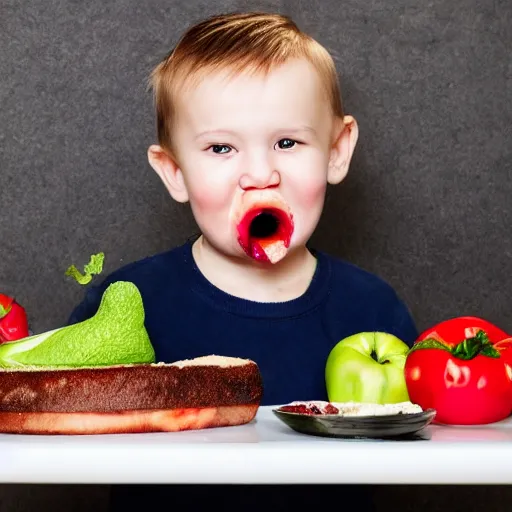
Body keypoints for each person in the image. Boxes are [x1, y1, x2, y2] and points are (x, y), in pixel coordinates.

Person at [67, 12, 418, 510]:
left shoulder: (372, 311)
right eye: (221, 147)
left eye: (287, 142)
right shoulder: (127, 306)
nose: (259, 174)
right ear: (175, 172)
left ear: (336, 152)